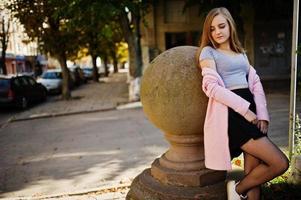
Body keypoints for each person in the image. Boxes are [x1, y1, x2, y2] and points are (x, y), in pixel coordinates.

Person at [196, 7, 289, 200]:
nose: (217, 32)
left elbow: (255, 84)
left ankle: (243, 191)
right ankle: (238, 190)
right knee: (280, 163)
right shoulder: (208, 52)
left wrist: (262, 115)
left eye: (221, 26)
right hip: (233, 115)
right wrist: (246, 111)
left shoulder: (241, 53)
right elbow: (211, 88)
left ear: (230, 26)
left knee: (253, 172)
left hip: (251, 112)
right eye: (212, 29)